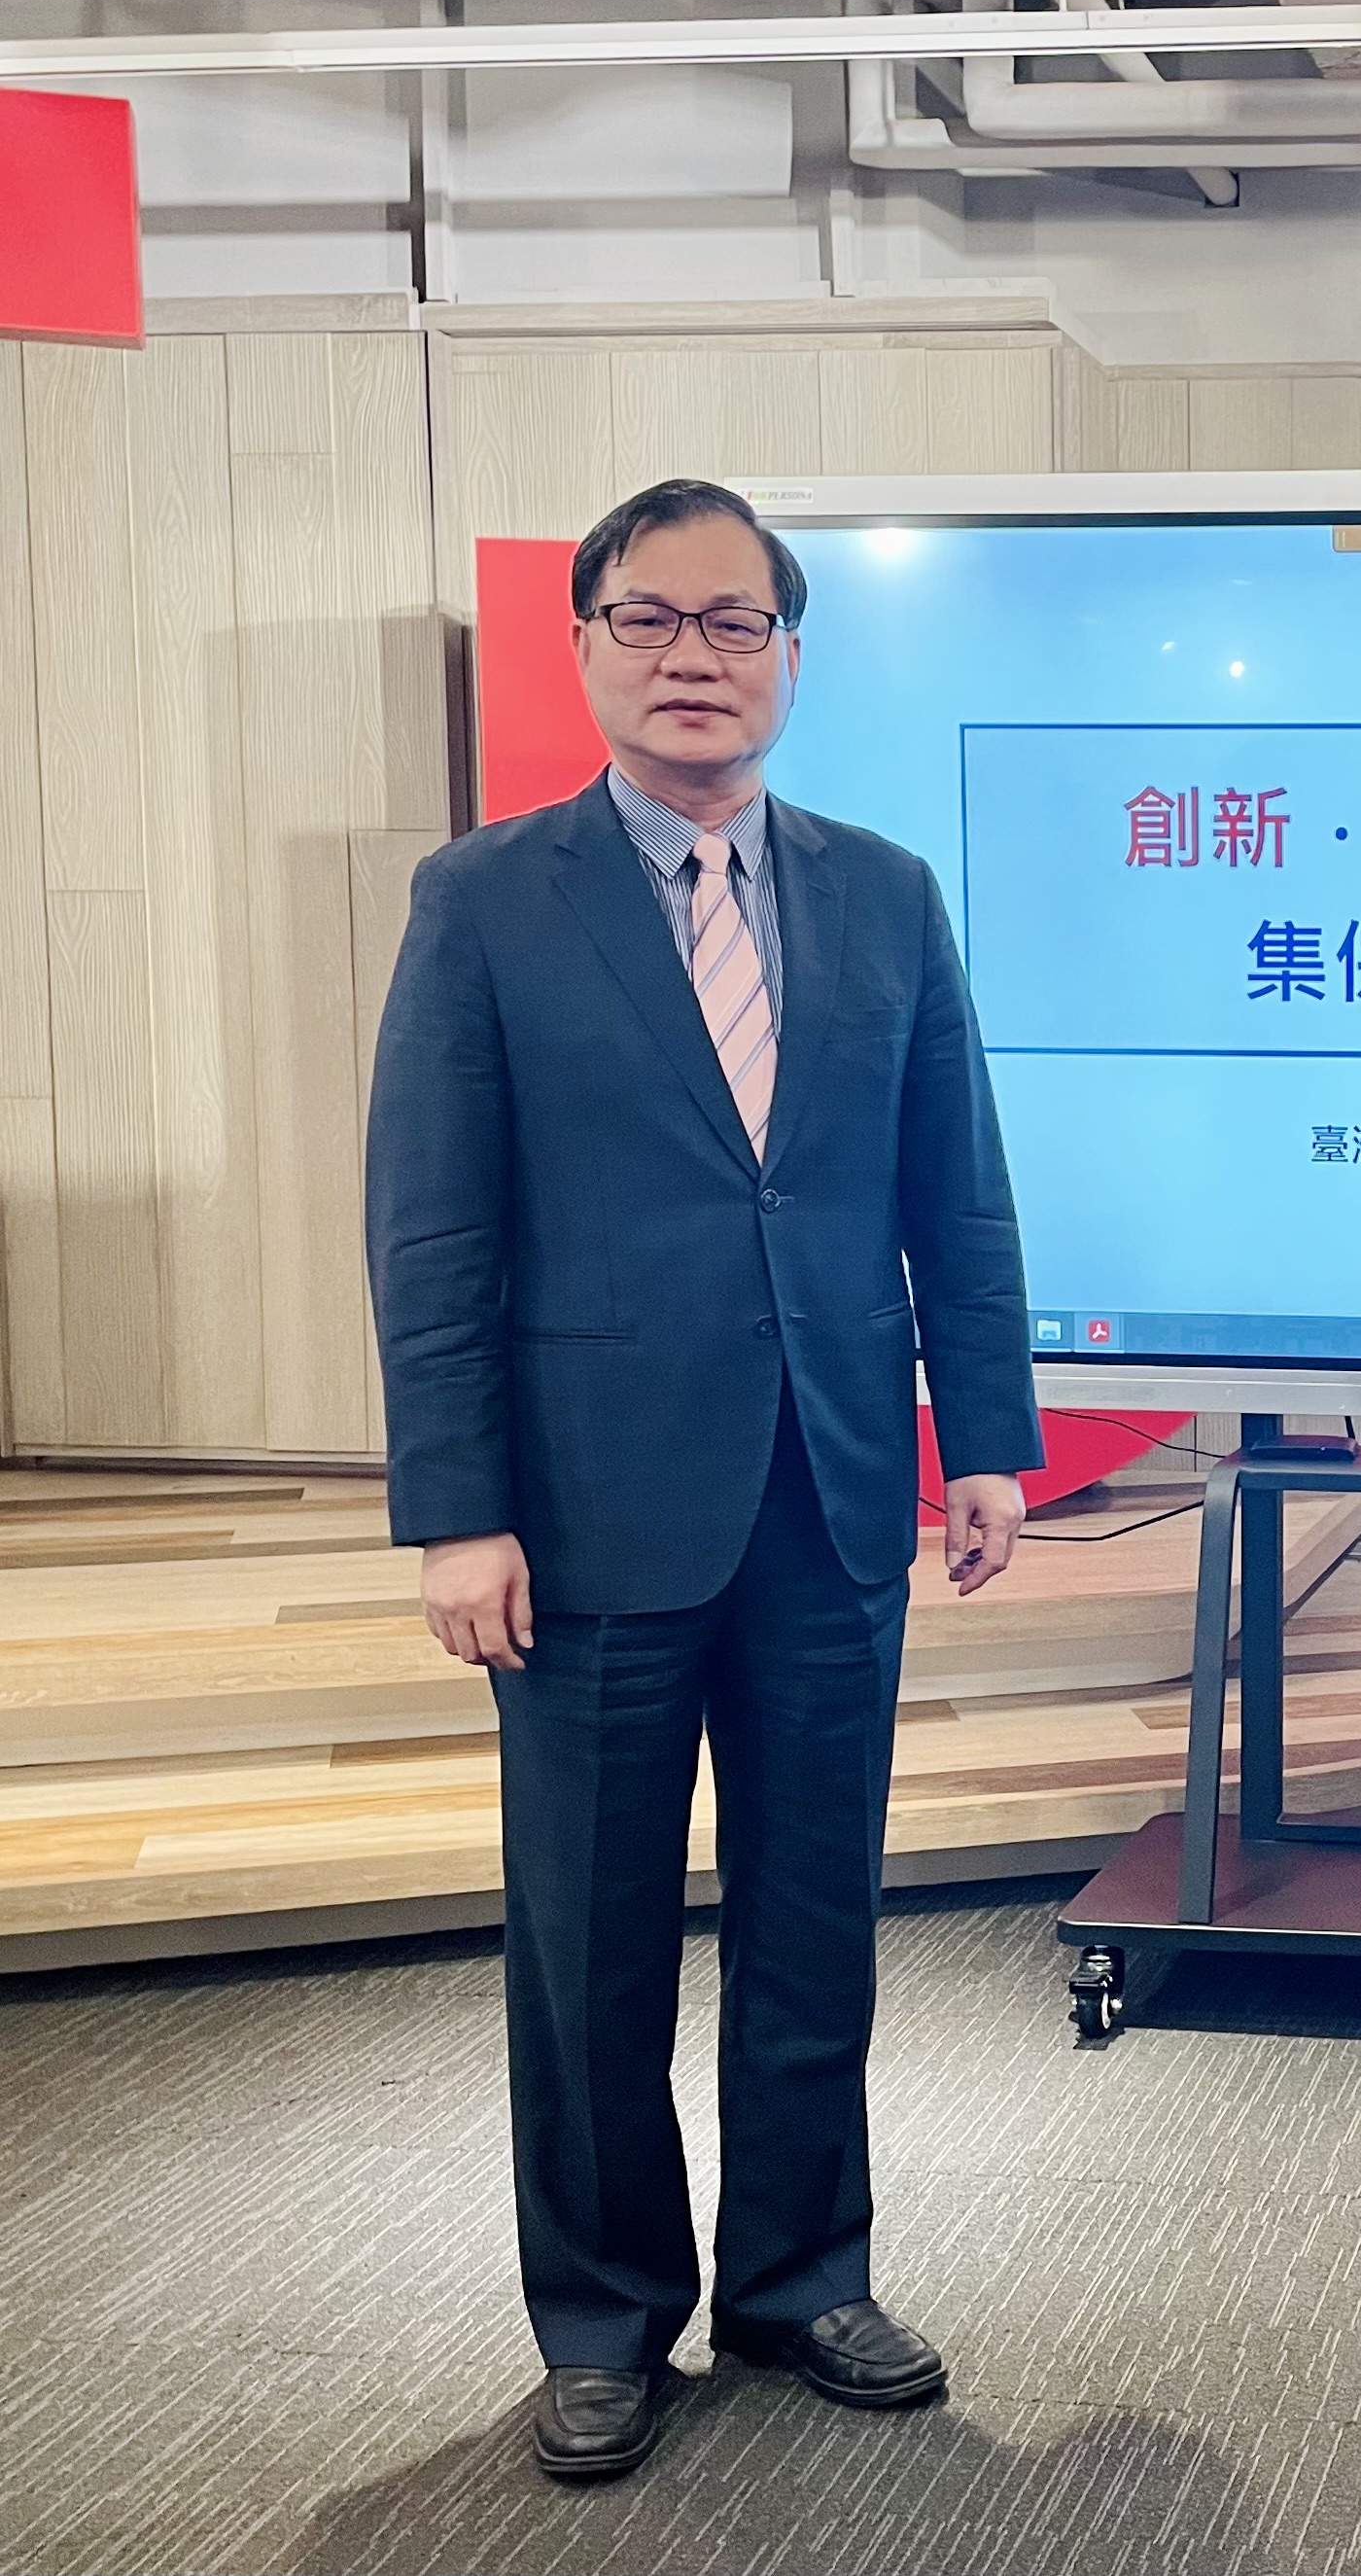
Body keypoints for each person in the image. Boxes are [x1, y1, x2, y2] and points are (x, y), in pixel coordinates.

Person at [365, 478, 1041, 2482]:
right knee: (587, 1942)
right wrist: (456, 1504)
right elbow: (432, 1230)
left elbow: (956, 1188)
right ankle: (600, 2316)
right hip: (584, 1514)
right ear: (584, 645)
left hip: (831, 1489)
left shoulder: (884, 893)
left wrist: (985, 1434)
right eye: (649, 619)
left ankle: (801, 2274)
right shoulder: (486, 900)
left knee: (817, 1912)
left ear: (789, 659)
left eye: (734, 622)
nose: (693, 656)